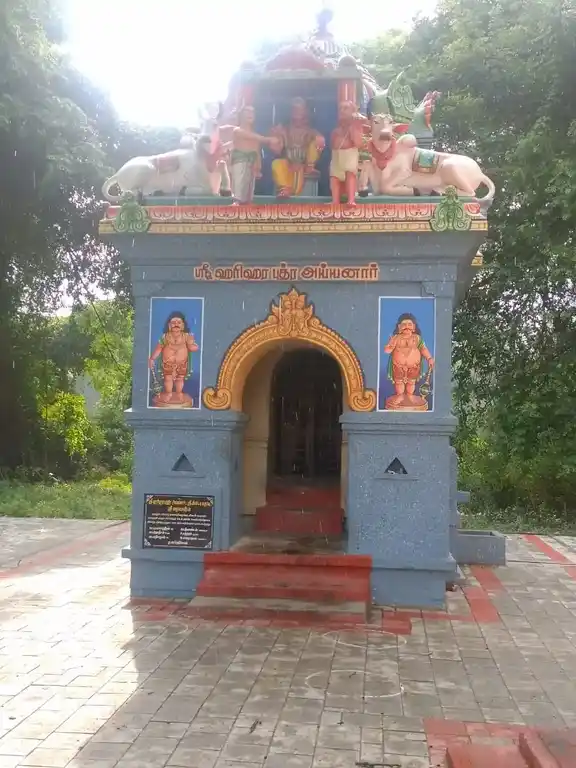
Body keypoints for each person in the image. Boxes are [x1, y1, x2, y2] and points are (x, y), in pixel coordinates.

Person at [270, 98, 325, 197]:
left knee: (316, 142)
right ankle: (285, 189)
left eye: (300, 110)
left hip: (305, 165)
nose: (297, 113)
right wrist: (276, 138)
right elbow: (277, 150)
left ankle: (310, 166)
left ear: (305, 112)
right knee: (277, 164)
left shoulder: (310, 131)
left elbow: (320, 141)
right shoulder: (283, 129)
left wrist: (320, 140)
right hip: (288, 164)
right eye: (295, 110)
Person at [225, 106, 279, 203]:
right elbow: (253, 137)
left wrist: (258, 167)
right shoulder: (237, 130)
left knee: (249, 194)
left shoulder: (255, 134)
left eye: (252, 112)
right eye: (248, 112)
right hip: (240, 162)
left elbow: (256, 151)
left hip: (251, 164)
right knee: (238, 192)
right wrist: (268, 140)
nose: (250, 114)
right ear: (241, 115)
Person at [383, 313, 434, 409]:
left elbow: (423, 349)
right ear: (399, 327)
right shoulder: (396, 338)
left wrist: (429, 358)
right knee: (399, 382)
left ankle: (410, 396)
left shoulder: (417, 338)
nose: (407, 327)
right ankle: (400, 396)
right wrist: (389, 345)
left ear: (414, 327)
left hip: (414, 366)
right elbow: (388, 350)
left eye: (409, 324)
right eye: (404, 324)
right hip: (398, 366)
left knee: (411, 382)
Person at [149, 312, 198, 407]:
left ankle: (179, 393)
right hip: (167, 364)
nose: (176, 324)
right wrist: (152, 359)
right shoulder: (165, 337)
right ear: (169, 325)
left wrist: (191, 343)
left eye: (179, 322)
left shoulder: (187, 337)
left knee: (180, 379)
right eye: (173, 322)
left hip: (182, 364)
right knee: (168, 379)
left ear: (183, 326)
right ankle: (169, 393)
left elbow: (193, 349)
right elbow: (159, 348)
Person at [329, 101, 366, 205]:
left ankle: (351, 200)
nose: (342, 111)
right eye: (340, 108)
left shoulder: (355, 127)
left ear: (352, 111)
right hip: (336, 156)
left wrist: (353, 127)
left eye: (345, 108)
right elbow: (331, 144)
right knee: (334, 177)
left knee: (350, 175)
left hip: (349, 155)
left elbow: (358, 143)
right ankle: (335, 200)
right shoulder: (336, 131)